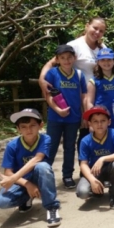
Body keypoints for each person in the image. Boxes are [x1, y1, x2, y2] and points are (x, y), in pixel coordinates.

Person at [39, 17, 107, 150]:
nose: (97, 32)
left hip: (97, 95)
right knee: (84, 131)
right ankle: (83, 162)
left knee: (97, 132)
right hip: (80, 96)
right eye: (95, 28)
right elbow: (52, 63)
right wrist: (42, 80)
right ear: (87, 26)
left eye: (101, 31)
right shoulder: (75, 45)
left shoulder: (102, 47)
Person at [0, 109, 61, 227]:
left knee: (43, 166)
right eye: (24, 127)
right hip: (21, 181)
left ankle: (52, 207)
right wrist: (27, 184)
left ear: (40, 125)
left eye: (32, 125)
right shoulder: (12, 146)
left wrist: (13, 178)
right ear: (18, 129)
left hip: (38, 176)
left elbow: (37, 159)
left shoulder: (45, 139)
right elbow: (8, 172)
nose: (28, 130)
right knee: (2, 202)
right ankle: (27, 197)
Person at [44, 44, 87, 189]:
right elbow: (48, 95)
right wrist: (57, 110)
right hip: (55, 118)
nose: (66, 60)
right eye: (62, 58)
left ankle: (67, 175)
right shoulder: (52, 74)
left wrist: (84, 115)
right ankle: (44, 174)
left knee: (70, 147)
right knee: (50, 146)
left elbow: (83, 96)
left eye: (69, 57)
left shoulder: (79, 75)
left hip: (73, 118)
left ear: (74, 58)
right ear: (57, 59)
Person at [77, 106, 114, 209]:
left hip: (111, 169)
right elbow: (83, 164)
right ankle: (97, 189)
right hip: (95, 171)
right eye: (95, 121)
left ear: (109, 122)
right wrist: (92, 180)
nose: (99, 124)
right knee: (83, 192)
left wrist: (102, 158)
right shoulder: (85, 140)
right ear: (90, 123)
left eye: (103, 121)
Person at [86, 48, 114, 132]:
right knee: (99, 138)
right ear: (98, 62)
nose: (106, 62)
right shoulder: (93, 81)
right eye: (103, 60)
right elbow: (89, 102)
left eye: (109, 60)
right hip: (99, 117)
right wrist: (91, 120)